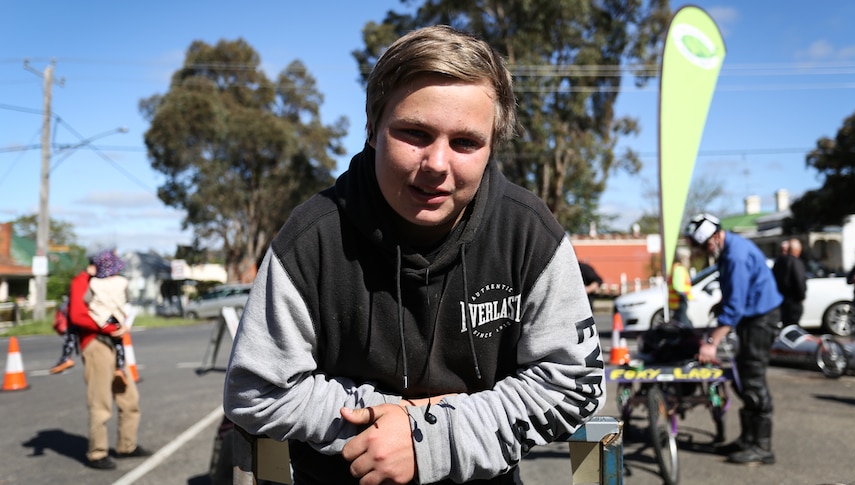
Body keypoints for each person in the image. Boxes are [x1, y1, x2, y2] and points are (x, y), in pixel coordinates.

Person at [224, 25, 606, 485]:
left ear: (492, 146)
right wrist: (391, 420)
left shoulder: (529, 232)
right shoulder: (311, 238)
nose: (438, 165)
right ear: (372, 128)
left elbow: (575, 383)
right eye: (414, 133)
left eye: (465, 142)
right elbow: (255, 390)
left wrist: (431, 437)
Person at [686, 213, 782, 466]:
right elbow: (735, 295)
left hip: (760, 321)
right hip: (753, 319)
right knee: (744, 379)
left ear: (717, 235)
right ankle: (748, 439)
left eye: (706, 244)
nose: (705, 250)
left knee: (752, 381)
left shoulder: (736, 255)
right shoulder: (730, 250)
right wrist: (723, 303)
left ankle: (762, 447)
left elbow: (736, 308)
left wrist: (712, 344)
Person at [68, 253, 150, 470]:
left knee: (129, 398)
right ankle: (97, 452)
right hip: (96, 344)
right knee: (100, 401)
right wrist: (109, 328)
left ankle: (126, 445)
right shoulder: (82, 281)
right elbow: (77, 315)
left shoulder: (111, 280)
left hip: (115, 344)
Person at [86, 249, 130, 386]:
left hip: (100, 319)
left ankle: (65, 356)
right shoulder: (122, 282)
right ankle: (120, 368)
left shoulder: (94, 283)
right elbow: (128, 299)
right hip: (116, 318)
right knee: (119, 344)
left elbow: (86, 299)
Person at [771, 238, 807, 326]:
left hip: (782, 300)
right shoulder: (795, 262)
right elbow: (799, 281)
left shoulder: (778, 262)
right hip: (793, 300)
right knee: (793, 326)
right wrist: (801, 296)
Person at [667, 247, 693, 326]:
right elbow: (678, 286)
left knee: (679, 322)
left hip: (677, 301)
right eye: (687, 258)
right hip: (680, 301)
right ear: (682, 258)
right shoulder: (679, 269)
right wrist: (684, 296)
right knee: (684, 323)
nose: (688, 260)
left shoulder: (677, 268)